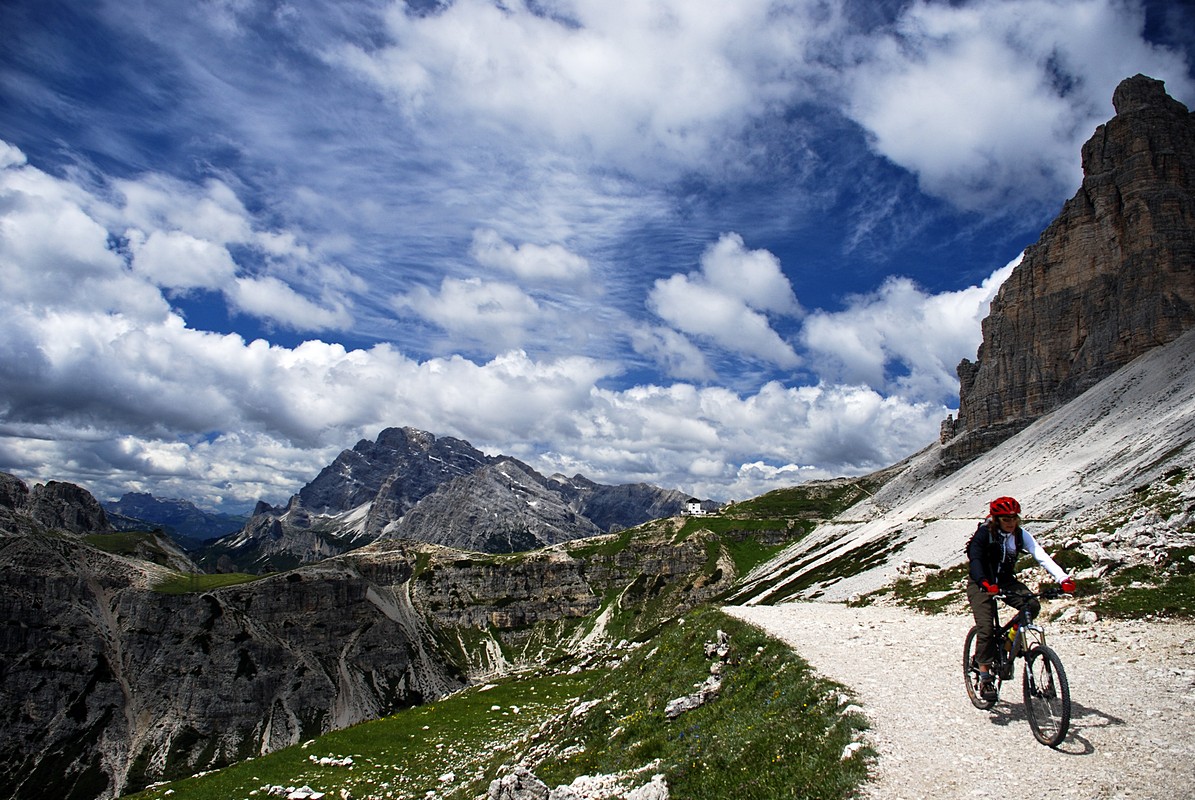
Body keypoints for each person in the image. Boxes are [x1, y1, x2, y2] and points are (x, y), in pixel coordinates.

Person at [966, 496, 1076, 700]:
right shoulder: (984, 534)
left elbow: (1040, 555)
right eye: (1006, 519)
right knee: (986, 629)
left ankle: (1009, 644)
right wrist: (984, 582)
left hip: (1006, 581)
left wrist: (1063, 578)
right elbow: (976, 559)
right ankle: (984, 676)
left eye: (1014, 518)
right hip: (981, 583)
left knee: (1031, 605)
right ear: (996, 518)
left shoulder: (1019, 535)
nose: (1011, 522)